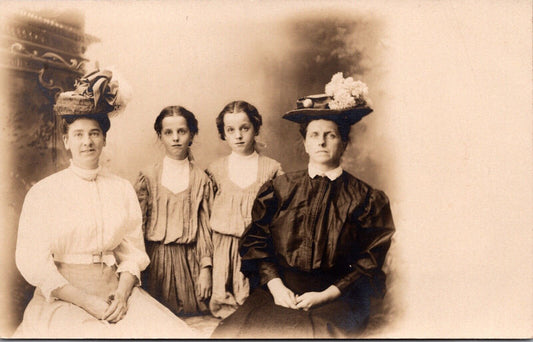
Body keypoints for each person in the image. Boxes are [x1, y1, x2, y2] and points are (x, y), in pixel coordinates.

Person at [13, 70, 197, 338]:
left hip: (115, 292)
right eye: (78, 135)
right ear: (66, 141)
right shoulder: (44, 192)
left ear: (104, 139)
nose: (87, 141)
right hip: (65, 296)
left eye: (94, 133)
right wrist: (87, 302)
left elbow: (132, 253)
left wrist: (122, 295)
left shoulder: (121, 188)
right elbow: (33, 263)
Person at [211, 73, 395, 338]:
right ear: (305, 143)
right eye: (314, 135)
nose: (321, 142)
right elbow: (257, 242)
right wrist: (275, 287)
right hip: (280, 291)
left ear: (344, 142)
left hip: (337, 298)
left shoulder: (366, 198)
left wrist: (325, 295)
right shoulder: (279, 189)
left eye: (330, 135)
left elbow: (369, 261)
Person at [134, 105, 213, 316]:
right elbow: (136, 227)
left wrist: (205, 269)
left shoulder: (201, 180)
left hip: (190, 262)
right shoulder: (148, 176)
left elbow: (205, 229)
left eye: (182, 131)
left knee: (195, 318)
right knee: (152, 318)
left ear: (192, 134)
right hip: (154, 261)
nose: (175, 138)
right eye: (168, 132)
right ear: (160, 136)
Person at [207, 101, 283, 319]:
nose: (238, 135)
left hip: (257, 247)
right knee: (222, 305)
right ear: (223, 133)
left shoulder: (272, 169)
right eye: (230, 130)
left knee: (255, 306)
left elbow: (279, 216)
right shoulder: (215, 170)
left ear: (256, 129)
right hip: (223, 247)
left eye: (244, 128)